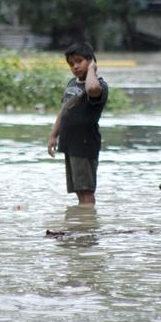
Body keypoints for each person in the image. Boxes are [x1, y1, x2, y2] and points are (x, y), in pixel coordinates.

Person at [47, 42, 109, 205]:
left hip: (85, 144)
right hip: (70, 144)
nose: (75, 66)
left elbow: (91, 89)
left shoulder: (99, 85)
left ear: (91, 61)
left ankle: (88, 226)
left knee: (87, 189)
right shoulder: (71, 84)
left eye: (79, 61)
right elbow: (63, 111)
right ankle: (83, 223)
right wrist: (53, 135)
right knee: (79, 189)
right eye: (71, 64)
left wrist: (91, 70)